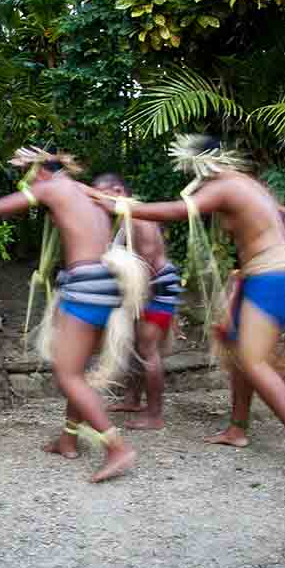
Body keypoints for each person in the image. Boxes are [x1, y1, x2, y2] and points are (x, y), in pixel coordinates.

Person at [100, 136, 285, 476]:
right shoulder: (240, 184)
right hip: (261, 276)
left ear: (199, 165)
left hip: (274, 278)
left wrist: (122, 206)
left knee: (252, 361)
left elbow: (179, 211)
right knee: (238, 354)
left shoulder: (226, 185)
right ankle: (238, 429)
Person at [0, 147, 145, 483]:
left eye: (26, 173)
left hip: (86, 285)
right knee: (79, 371)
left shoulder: (50, 186)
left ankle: (117, 447)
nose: (25, 180)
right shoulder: (80, 189)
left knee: (68, 376)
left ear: (39, 169)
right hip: (105, 284)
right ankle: (69, 439)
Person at [92, 173, 182, 431]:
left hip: (156, 287)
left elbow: (151, 261)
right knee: (134, 346)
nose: (99, 202)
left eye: (101, 195)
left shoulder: (139, 215)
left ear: (118, 190)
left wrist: (138, 293)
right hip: (145, 288)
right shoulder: (126, 216)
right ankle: (132, 399)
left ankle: (155, 414)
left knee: (148, 350)